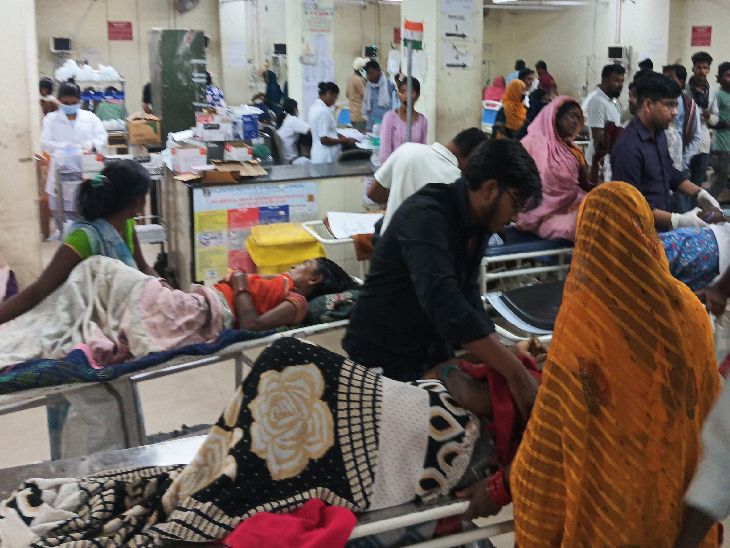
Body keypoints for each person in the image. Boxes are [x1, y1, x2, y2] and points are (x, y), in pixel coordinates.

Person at [0, 335, 547, 544]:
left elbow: (468, 393)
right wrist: (514, 368)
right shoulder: (547, 370)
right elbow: (456, 376)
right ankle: (210, 483)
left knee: (278, 420)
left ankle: (210, 489)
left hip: (426, 442)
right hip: (403, 406)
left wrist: (511, 375)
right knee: (280, 382)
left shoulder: (561, 403)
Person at [509, 182, 721, 546]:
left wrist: (510, 483)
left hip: (608, 508)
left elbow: (552, 428)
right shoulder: (689, 311)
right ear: (646, 233)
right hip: (676, 505)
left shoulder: (582, 321)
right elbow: (706, 409)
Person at [344, 139, 543, 420]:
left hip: (428, 351)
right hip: (382, 360)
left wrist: (506, 354)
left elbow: (468, 297)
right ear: (490, 189)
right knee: (504, 404)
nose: (516, 216)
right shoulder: (427, 215)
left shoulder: (477, 224)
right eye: (517, 203)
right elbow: (446, 304)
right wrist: (514, 371)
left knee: (518, 385)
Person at [0, 160, 156, 327]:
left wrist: (163, 288)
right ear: (138, 201)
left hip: (122, 315)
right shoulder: (84, 239)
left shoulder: (126, 225)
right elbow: (39, 291)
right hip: (87, 322)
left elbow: (143, 267)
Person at [611, 72, 721, 230]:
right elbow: (630, 208)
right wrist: (678, 219)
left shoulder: (658, 133)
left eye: (676, 105)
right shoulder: (628, 147)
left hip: (660, 228)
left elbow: (668, 171)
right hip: (638, 235)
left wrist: (699, 193)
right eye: (669, 105)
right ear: (648, 105)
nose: (675, 112)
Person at [367, 128, 488, 232]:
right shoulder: (457, 181)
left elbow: (373, 193)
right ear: (473, 157)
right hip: (422, 250)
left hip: (386, 245)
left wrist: (399, 196)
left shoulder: (407, 149)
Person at [213, 258, 358, 332]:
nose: (294, 265)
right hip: (213, 297)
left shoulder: (296, 302)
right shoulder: (282, 283)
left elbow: (251, 326)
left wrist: (239, 281)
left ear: (314, 279)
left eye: (304, 264)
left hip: (218, 310)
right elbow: (258, 282)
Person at [517, 96, 591, 240]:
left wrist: (597, 159)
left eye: (578, 118)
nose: (575, 122)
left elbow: (586, 185)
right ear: (556, 115)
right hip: (540, 216)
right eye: (572, 116)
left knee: (601, 217)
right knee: (581, 227)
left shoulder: (572, 151)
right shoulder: (530, 143)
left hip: (572, 206)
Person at [40, 80, 107, 231]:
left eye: (74, 102)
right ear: (59, 101)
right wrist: (64, 148)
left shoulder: (90, 117)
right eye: (66, 103)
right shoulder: (51, 119)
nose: (70, 106)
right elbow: (45, 142)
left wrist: (91, 145)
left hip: (89, 166)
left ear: (79, 101)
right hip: (62, 169)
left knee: (91, 212)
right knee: (64, 220)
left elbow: (102, 137)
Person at [582, 63, 625, 181]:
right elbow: (598, 140)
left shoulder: (613, 100)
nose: (620, 84)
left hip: (609, 160)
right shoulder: (598, 101)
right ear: (605, 80)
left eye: (622, 81)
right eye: (616, 80)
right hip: (598, 163)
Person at [687, 52, 719, 190]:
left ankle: (693, 205)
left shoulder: (711, 92)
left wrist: (708, 117)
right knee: (683, 182)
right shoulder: (684, 90)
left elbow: (715, 119)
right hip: (686, 143)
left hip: (703, 144)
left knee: (697, 185)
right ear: (693, 68)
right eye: (698, 67)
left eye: (705, 67)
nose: (701, 71)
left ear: (708, 70)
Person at [378, 77, 428, 164]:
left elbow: (423, 151)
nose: (405, 96)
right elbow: (384, 154)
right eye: (402, 91)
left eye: (410, 92)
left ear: (417, 95)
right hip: (394, 169)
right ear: (398, 94)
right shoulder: (389, 118)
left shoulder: (422, 121)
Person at [308, 82, 356, 164]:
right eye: (335, 97)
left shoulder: (313, 107)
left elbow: (326, 130)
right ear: (328, 94)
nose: (334, 101)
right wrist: (345, 140)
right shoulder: (323, 111)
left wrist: (339, 135)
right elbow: (324, 140)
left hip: (317, 154)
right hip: (326, 157)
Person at [709, 62, 730, 199]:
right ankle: (702, 208)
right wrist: (727, 124)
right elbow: (711, 121)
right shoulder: (717, 95)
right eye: (728, 75)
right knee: (719, 183)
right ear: (719, 78)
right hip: (721, 147)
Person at [363, 60, 395, 131]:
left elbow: (396, 106)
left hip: (386, 127)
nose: (369, 77)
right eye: (367, 74)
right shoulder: (368, 87)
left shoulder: (389, 85)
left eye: (371, 73)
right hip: (372, 127)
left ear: (378, 70)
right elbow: (367, 108)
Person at [275, 98, 311, 164]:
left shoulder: (284, 120)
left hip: (285, 159)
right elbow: (311, 130)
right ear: (294, 109)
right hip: (292, 160)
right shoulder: (292, 120)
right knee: (317, 163)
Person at [347, 57, 368, 131]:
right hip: (359, 116)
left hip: (352, 115)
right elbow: (365, 95)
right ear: (361, 69)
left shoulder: (350, 78)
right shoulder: (358, 79)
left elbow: (347, 94)